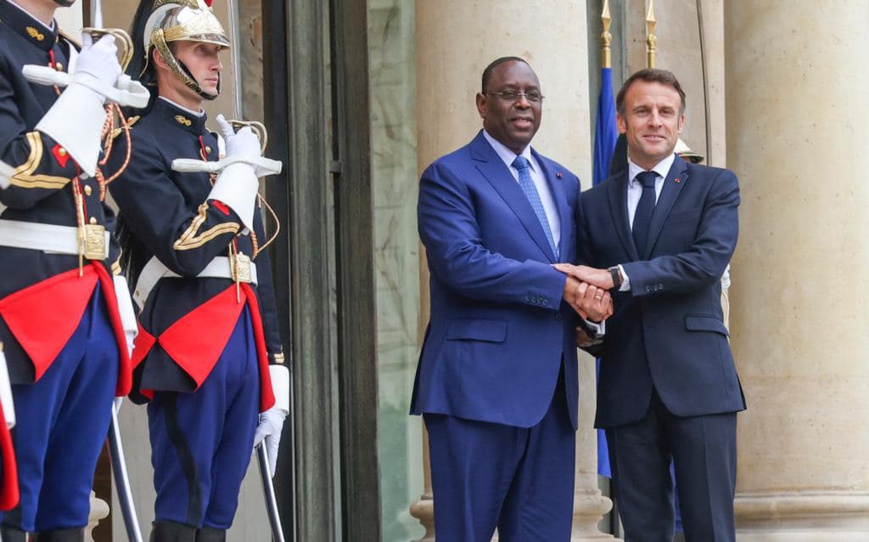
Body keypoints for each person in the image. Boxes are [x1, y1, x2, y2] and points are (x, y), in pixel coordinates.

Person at [107, 1, 289, 538]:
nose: (216, 63)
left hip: (241, 339)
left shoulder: (220, 142)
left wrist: (275, 360)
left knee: (219, 515)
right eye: (201, 50)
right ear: (163, 56)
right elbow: (182, 249)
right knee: (184, 504)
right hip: (186, 339)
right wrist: (236, 177)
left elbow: (255, 259)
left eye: (217, 51)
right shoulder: (135, 141)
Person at [411, 56, 611, 541]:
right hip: (475, 393)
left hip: (551, 399)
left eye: (533, 95)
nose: (523, 103)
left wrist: (594, 311)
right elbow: (460, 262)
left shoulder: (565, 183)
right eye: (508, 93)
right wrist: (558, 285)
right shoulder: (450, 175)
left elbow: (578, 271)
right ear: (483, 104)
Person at [557, 68, 745, 541]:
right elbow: (587, 293)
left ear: (681, 123)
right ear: (621, 122)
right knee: (642, 532)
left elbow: (704, 263)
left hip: (700, 383)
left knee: (711, 529)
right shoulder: (590, 203)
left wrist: (618, 277)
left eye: (666, 112)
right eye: (642, 111)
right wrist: (592, 322)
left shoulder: (715, 186)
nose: (654, 121)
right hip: (627, 386)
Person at [0, 0, 135, 539]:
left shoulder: (70, 54)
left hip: (91, 298)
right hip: (25, 297)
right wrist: (83, 97)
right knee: (14, 495)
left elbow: (101, 183)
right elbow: (13, 173)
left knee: (71, 504)